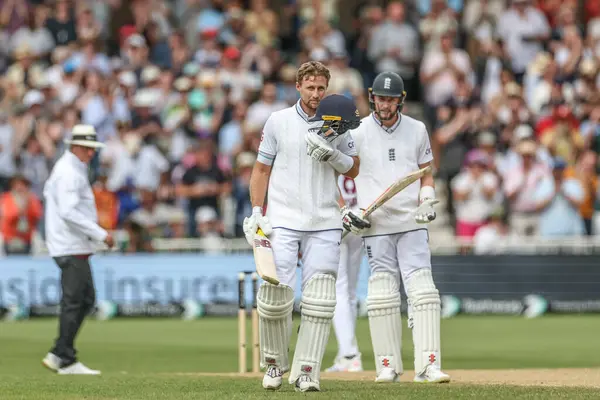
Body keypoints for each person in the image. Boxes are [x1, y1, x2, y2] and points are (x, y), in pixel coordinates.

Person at [243, 61, 361, 392]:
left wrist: (332, 154)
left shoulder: (339, 122)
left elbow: (353, 170)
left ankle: (307, 370)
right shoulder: (278, 121)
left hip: (324, 219)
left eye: (321, 88)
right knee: (274, 295)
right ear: (298, 86)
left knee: (320, 299)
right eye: (310, 87)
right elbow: (261, 169)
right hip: (282, 218)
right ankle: (274, 365)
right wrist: (256, 211)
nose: (315, 94)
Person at [344, 71, 450, 383]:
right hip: (376, 223)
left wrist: (427, 199)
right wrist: (347, 211)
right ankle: (387, 366)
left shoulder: (417, 129)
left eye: (391, 99)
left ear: (401, 100)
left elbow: (425, 173)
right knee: (381, 295)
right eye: (380, 98)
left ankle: (428, 365)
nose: (385, 104)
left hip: (411, 222)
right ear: (371, 96)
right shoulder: (358, 131)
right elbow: (341, 175)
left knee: (424, 292)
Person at [41, 125, 114, 375]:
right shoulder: (68, 171)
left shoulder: (72, 168)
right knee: (76, 301)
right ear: (76, 146)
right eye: (88, 148)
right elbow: (68, 211)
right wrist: (100, 233)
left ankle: (62, 354)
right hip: (69, 244)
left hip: (74, 244)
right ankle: (62, 355)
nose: (92, 154)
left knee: (84, 299)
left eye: (93, 149)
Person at [325, 175, 364, 372]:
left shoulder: (333, 148)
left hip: (337, 218)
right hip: (359, 216)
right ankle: (347, 354)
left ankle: (349, 354)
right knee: (349, 291)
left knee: (339, 289)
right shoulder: (358, 150)